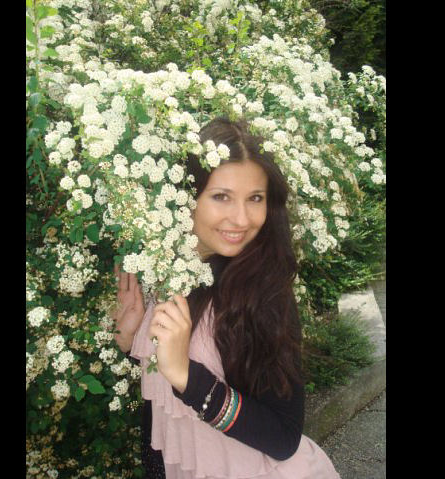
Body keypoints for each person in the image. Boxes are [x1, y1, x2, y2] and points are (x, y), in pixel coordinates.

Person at [113, 117, 340, 478]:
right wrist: (130, 341)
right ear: (189, 195)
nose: (241, 219)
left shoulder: (262, 293)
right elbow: (164, 411)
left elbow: (283, 437)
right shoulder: (165, 269)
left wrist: (188, 377)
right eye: (221, 197)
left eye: (255, 199)